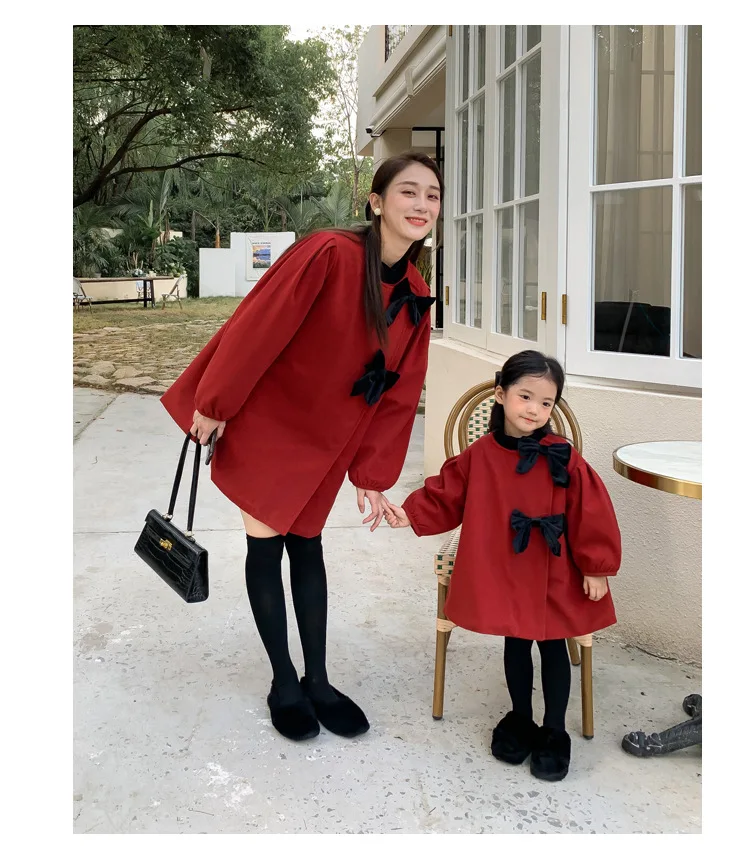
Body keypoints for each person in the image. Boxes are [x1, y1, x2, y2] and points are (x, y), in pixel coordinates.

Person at [160, 152, 443, 743]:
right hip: (272, 423)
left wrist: (372, 473)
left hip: (328, 440)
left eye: (432, 196)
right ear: (376, 202)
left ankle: (318, 679)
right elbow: (257, 327)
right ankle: (284, 681)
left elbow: (400, 391)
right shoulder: (329, 253)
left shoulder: (416, 291)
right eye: (409, 192)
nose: (422, 205)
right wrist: (215, 403)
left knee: (308, 547)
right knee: (267, 548)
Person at [383, 350, 621, 781]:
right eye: (525, 396)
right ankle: (520, 717)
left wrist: (597, 565)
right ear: (500, 394)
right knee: (516, 641)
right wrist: (410, 514)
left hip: (554, 568)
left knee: (552, 645)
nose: (534, 409)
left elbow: (591, 510)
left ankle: (554, 730)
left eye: (546, 402)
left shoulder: (562, 455)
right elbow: (446, 493)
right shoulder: (481, 455)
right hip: (507, 565)